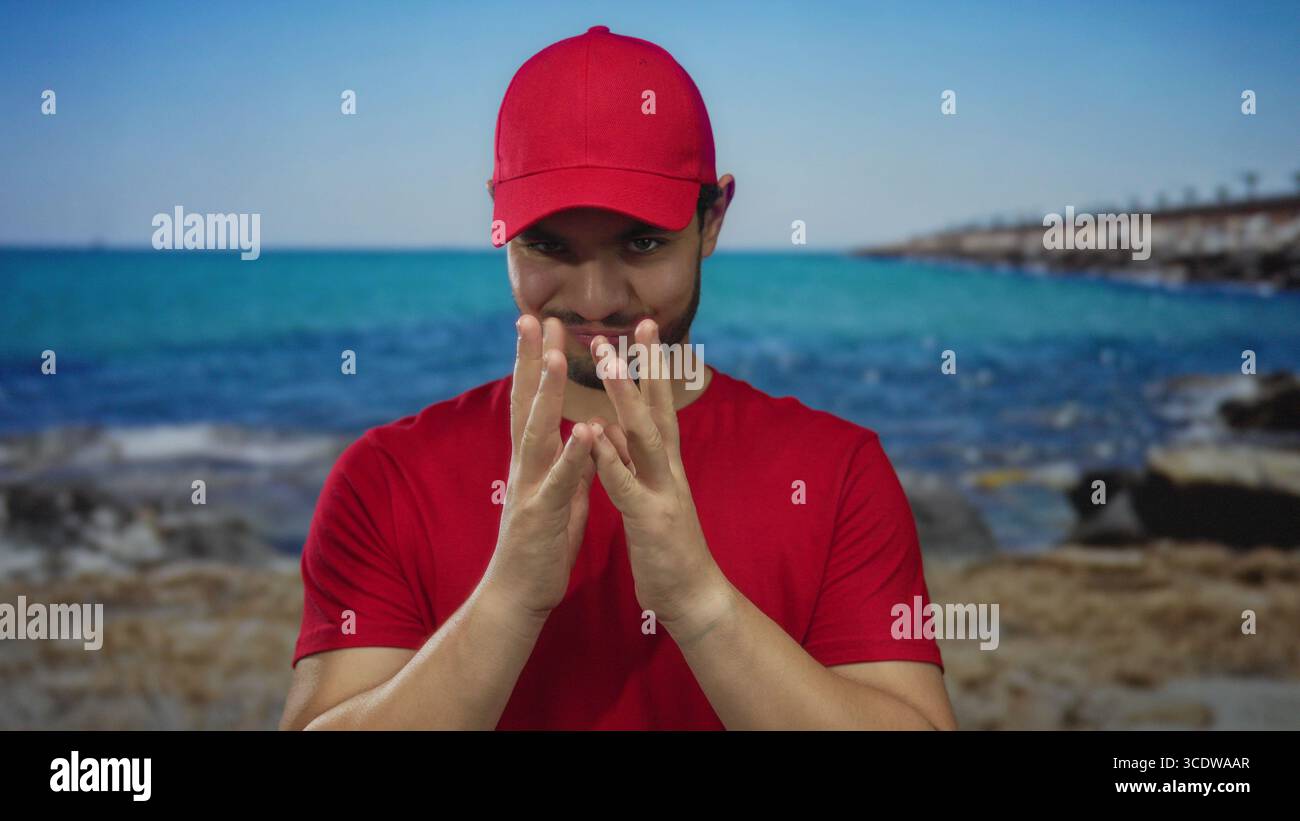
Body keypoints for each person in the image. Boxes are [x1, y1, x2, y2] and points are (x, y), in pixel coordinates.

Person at [280, 25, 956, 730]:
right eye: (549, 245)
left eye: (642, 243)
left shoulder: (836, 471)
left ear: (714, 218)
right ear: (499, 218)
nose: (598, 298)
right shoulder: (385, 478)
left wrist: (699, 601)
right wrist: (507, 600)